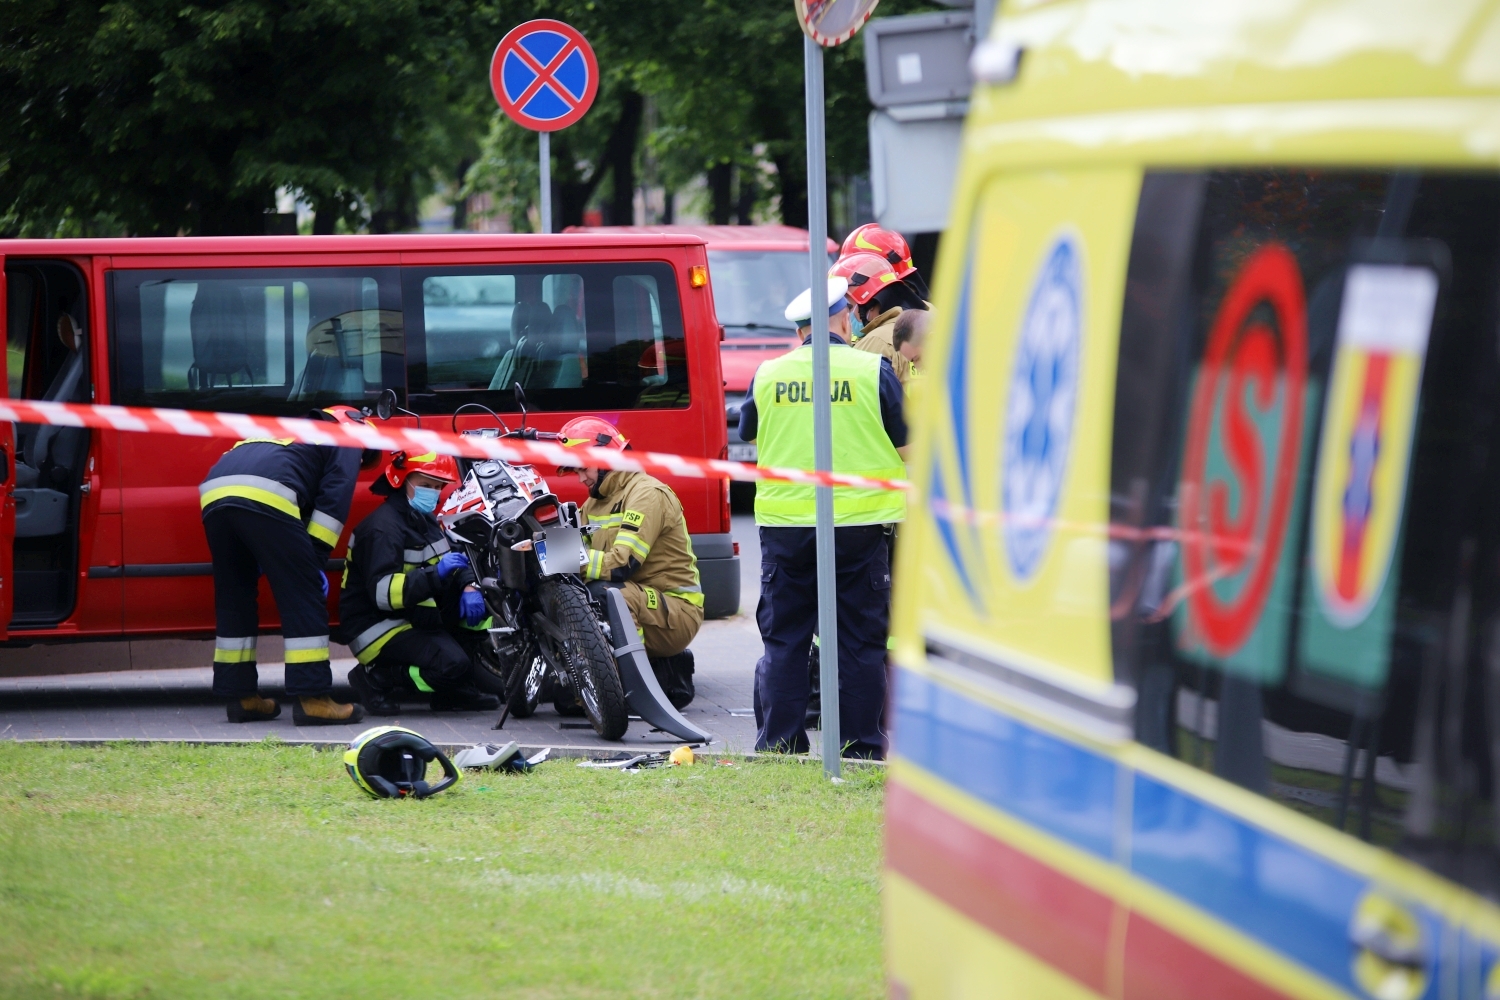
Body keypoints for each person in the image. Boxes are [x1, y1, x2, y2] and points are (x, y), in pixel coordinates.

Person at [737, 276, 908, 758]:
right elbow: (904, 441)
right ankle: (860, 747)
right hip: (860, 527)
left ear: (800, 332)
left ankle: (780, 744)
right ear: (845, 318)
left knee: (786, 639)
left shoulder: (768, 373)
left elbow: (749, 429)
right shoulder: (872, 369)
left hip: (787, 529)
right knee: (859, 640)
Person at [199, 406, 371, 726]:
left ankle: (242, 697)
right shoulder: (346, 435)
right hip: (267, 494)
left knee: (235, 596)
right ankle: (314, 699)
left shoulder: (281, 431)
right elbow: (334, 501)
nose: (361, 461)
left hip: (214, 493)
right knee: (302, 597)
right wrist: (314, 560)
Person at [338, 451, 500, 716]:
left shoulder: (422, 519)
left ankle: (454, 693)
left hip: (412, 614)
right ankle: (378, 678)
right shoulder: (382, 529)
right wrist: (436, 575)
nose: (433, 493)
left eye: (438, 487)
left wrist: (470, 586)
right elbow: (383, 594)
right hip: (377, 627)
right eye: (425, 485)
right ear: (402, 480)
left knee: (483, 615)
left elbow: (454, 559)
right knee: (452, 665)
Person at [560, 416, 703, 709]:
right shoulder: (594, 501)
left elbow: (621, 565)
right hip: (642, 601)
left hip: (676, 610)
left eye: (583, 468)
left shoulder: (647, 494)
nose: (581, 478)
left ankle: (633, 687)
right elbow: (577, 555)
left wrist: (564, 558)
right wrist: (540, 551)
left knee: (607, 593)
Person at [829, 252, 915, 388]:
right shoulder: (920, 324)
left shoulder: (874, 344)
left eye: (848, 306)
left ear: (869, 305)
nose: (846, 314)